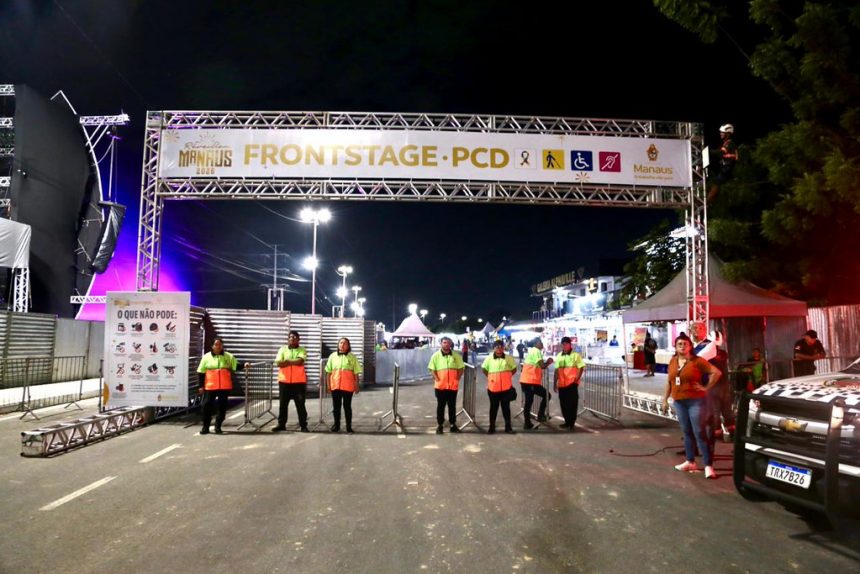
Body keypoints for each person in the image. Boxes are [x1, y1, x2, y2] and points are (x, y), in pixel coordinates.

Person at [662, 332, 722, 479]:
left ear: (690, 347)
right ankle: (690, 462)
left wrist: (706, 387)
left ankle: (708, 465)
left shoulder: (697, 361)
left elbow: (716, 373)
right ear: (675, 347)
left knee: (699, 432)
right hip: (679, 401)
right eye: (679, 344)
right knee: (687, 432)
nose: (682, 346)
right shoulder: (673, 361)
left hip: (695, 401)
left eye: (685, 344)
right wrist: (665, 399)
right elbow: (669, 382)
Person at [692, 321, 733, 442]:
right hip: (724, 385)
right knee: (727, 410)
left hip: (713, 385)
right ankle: (732, 433)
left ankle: (716, 434)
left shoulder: (706, 352)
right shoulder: (723, 353)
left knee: (714, 410)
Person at [196, 339, 237, 435]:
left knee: (222, 407)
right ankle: (205, 427)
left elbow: (236, 366)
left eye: (220, 344)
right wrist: (201, 386)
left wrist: (245, 365)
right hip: (210, 386)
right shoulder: (206, 357)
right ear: (212, 346)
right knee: (206, 406)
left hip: (224, 387)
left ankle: (218, 426)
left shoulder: (229, 356)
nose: (219, 346)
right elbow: (201, 372)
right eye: (216, 344)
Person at [272, 330, 309, 433]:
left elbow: (300, 361)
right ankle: (281, 424)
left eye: (294, 337)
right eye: (290, 337)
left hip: (299, 382)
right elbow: (278, 363)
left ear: (298, 339)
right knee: (283, 404)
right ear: (288, 339)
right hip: (284, 382)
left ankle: (303, 425)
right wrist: (292, 361)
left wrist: (287, 361)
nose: (292, 338)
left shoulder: (302, 349)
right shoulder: (282, 349)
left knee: (300, 404)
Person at [428, 336, 465, 434]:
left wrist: (457, 379)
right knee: (440, 406)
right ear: (441, 344)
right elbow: (432, 369)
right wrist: (437, 379)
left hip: (452, 386)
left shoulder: (456, 356)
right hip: (440, 386)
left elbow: (461, 368)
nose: (446, 344)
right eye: (444, 342)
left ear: (451, 344)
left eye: (448, 343)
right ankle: (440, 425)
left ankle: (453, 425)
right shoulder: (435, 356)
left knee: (452, 406)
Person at [325, 337, 362, 433]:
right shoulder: (332, 356)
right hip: (335, 386)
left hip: (348, 386)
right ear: (338, 345)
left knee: (347, 407)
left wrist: (357, 385)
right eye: (341, 343)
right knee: (336, 407)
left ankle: (348, 427)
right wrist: (328, 386)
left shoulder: (352, 357)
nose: (342, 345)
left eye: (345, 343)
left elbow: (356, 372)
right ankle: (336, 426)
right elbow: (328, 372)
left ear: (348, 346)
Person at [481, 339, 518, 434]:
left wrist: (507, 377)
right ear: (494, 348)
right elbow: (484, 369)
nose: (499, 348)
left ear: (503, 348)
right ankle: (492, 427)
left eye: (501, 347)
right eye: (497, 347)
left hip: (506, 388)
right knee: (493, 408)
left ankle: (508, 427)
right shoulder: (489, 358)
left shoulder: (508, 358)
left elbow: (514, 369)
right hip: (493, 388)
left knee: (506, 408)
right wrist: (491, 377)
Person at [553, 336, 586, 430]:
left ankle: (571, 423)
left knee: (572, 404)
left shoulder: (576, 355)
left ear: (570, 344)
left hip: (571, 384)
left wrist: (577, 379)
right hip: (562, 384)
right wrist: (555, 383)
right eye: (563, 344)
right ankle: (567, 422)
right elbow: (556, 370)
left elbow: (581, 367)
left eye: (566, 344)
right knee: (563, 404)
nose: (565, 346)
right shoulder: (559, 356)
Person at [520, 339, 553, 429]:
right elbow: (542, 366)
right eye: (540, 343)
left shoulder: (532, 351)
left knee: (529, 402)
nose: (542, 344)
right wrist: (549, 362)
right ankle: (538, 416)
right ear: (535, 344)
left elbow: (538, 365)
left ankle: (530, 421)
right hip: (530, 381)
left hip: (527, 381)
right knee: (546, 396)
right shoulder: (536, 351)